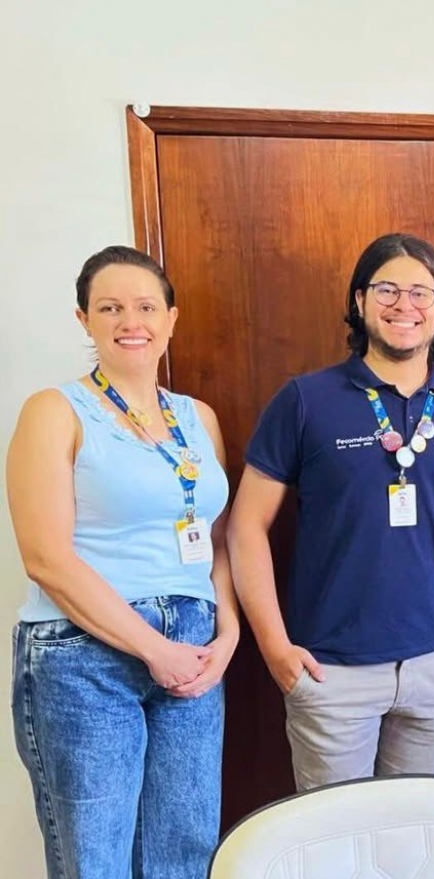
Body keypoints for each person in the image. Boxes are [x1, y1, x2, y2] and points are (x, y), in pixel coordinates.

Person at [228, 233, 434, 790]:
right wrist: (274, 646)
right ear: (359, 300)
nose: (404, 305)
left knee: (416, 828)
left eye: (421, 293)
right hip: (332, 670)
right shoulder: (305, 400)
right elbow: (246, 525)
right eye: (387, 289)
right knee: (337, 832)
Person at [7, 245, 236, 879]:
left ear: (171, 318)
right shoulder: (54, 411)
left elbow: (215, 541)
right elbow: (45, 558)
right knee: (96, 860)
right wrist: (152, 649)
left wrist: (229, 634)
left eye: (145, 307)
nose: (130, 321)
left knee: (184, 853)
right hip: (85, 655)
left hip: (194, 650)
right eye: (109, 308)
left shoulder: (198, 418)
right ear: (84, 319)